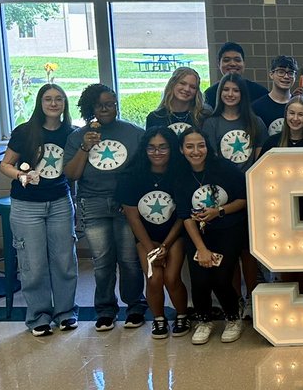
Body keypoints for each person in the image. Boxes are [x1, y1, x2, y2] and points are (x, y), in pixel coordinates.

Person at [64, 84, 146, 331]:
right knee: (102, 261)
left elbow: (144, 169)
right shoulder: (78, 136)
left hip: (125, 204)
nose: (107, 109)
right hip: (92, 202)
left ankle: (134, 307)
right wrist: (85, 148)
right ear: (91, 109)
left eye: (111, 104)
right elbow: (72, 174)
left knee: (129, 260)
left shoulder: (133, 133)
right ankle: (106, 310)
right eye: (101, 105)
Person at [0, 84, 78, 337]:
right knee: (33, 263)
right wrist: (22, 175)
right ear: (40, 103)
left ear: (65, 104)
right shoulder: (25, 131)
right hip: (26, 205)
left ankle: (66, 313)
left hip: (60, 202)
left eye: (58, 99)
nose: (53, 104)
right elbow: (5, 165)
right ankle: (38, 316)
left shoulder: (71, 133)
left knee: (64, 260)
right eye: (48, 99)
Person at [201, 74, 267, 311]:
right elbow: (211, 160)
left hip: (249, 193)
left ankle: (252, 299)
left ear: (242, 94)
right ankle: (235, 300)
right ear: (220, 94)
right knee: (228, 252)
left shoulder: (255, 122)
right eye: (226, 90)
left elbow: (259, 158)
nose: (230, 94)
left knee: (248, 251)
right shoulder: (211, 123)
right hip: (224, 195)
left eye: (235, 90)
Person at [175, 128, 247, 344]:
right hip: (197, 235)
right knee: (199, 280)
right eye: (189, 146)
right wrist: (201, 248)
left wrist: (219, 211)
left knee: (221, 278)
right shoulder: (179, 176)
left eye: (201, 145)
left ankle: (233, 318)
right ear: (181, 149)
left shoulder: (225, 169)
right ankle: (203, 320)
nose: (196, 151)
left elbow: (244, 199)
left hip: (228, 231)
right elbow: (185, 216)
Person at [118, 127, 189, 339]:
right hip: (146, 237)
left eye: (162, 147)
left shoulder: (181, 173)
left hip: (174, 235)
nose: (157, 152)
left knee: (171, 277)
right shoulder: (132, 175)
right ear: (144, 150)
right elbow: (132, 217)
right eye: (151, 148)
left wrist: (165, 246)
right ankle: (158, 319)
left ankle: (182, 315)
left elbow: (182, 215)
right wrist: (151, 249)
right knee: (154, 279)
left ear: (172, 149)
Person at [257, 97, 303, 295]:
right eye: (292, 113)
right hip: (280, 212)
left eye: (301, 114)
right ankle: (290, 301)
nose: (295, 118)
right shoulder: (272, 142)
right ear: (286, 115)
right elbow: (259, 178)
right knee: (286, 260)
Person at [204, 42, 269, 108]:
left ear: (244, 63)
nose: (232, 64)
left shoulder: (260, 93)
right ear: (219, 64)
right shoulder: (210, 94)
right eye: (226, 60)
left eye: (237, 60)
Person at [146, 67, 209, 135]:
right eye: (182, 83)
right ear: (172, 84)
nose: (187, 89)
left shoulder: (204, 116)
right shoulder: (155, 117)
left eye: (192, 87)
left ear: (196, 91)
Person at [252, 55, 298, 134]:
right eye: (281, 72)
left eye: (290, 73)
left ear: (295, 76)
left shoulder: (300, 105)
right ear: (271, 74)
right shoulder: (256, 107)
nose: (286, 76)